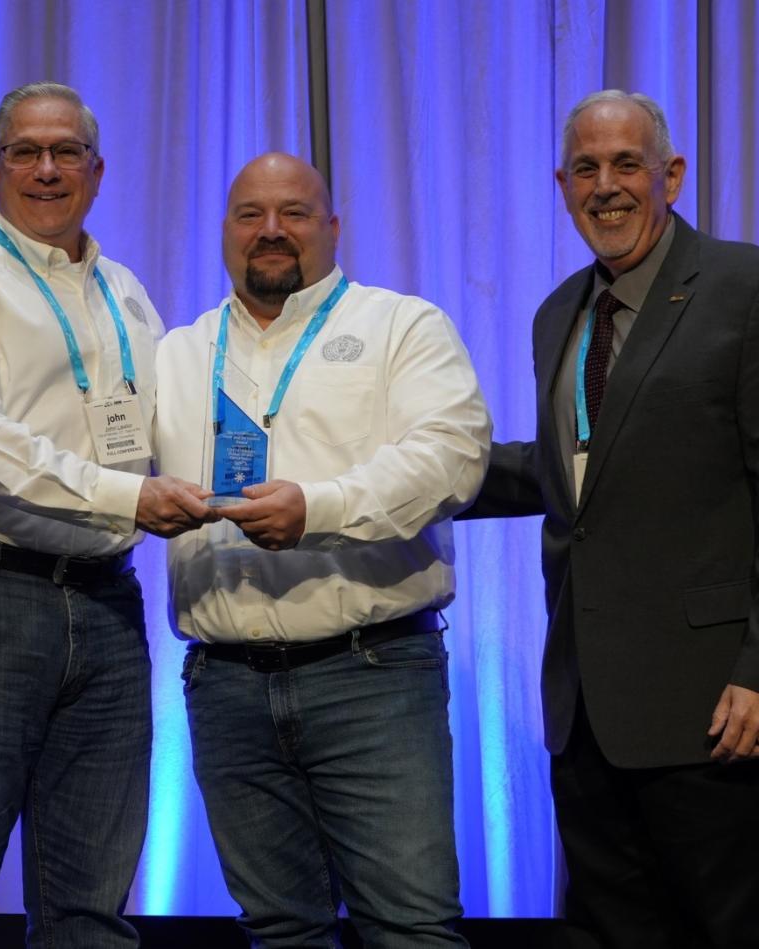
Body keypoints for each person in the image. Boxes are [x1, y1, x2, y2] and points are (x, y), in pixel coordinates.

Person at [467, 91, 759, 948]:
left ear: (670, 176)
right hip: (590, 715)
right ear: (561, 184)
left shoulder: (753, 288)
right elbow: (571, 471)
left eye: (625, 165)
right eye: (586, 168)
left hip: (722, 706)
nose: (605, 187)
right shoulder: (560, 313)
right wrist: (403, 480)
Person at [0, 81, 215, 948]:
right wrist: (128, 496)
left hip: (106, 601)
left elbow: (167, 430)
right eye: (26, 151)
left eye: (67, 152)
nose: (46, 168)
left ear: (98, 172)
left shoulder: (128, 292)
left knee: (90, 911)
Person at [154, 152, 491, 948]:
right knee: (279, 931)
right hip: (226, 683)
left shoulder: (401, 326)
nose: (272, 231)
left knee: (410, 928)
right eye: (250, 214)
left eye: (295, 213)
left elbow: (452, 457)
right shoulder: (175, 352)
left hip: (371, 675)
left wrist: (319, 509)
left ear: (333, 227)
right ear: (224, 232)